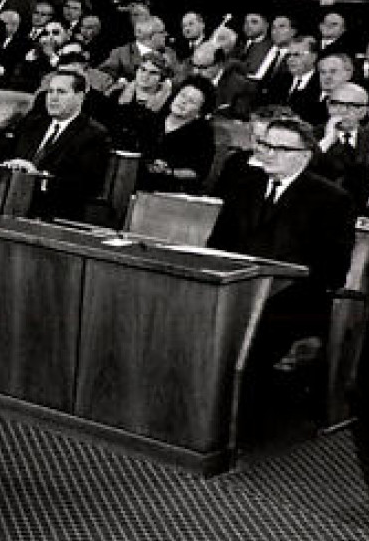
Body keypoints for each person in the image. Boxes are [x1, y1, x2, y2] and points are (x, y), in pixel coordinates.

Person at [207, 116, 356, 435]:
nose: (269, 154)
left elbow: (332, 272)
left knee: (255, 330)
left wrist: (272, 288)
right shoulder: (244, 185)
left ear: (304, 155)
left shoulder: (331, 200)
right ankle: (199, 413)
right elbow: (217, 244)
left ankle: (234, 427)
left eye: (280, 148)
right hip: (238, 288)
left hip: (294, 303)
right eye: (265, 145)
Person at [4, 70, 113, 222]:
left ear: (80, 97)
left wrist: (37, 177)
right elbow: (7, 157)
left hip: (58, 215)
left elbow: (85, 187)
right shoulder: (31, 124)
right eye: (50, 91)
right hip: (12, 206)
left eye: (61, 92)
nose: (53, 98)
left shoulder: (94, 135)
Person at [138, 76, 218, 194]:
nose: (183, 102)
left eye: (191, 101)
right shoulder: (152, 119)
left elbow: (198, 172)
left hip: (173, 190)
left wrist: (168, 172)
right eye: (182, 95)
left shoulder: (203, 134)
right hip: (137, 180)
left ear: (199, 112)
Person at [105, 51, 173, 152]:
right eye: (143, 69)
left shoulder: (168, 103)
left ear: (162, 78)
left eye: (153, 73)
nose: (145, 76)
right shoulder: (117, 94)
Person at [188, 40, 258, 121]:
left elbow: (238, 121)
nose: (196, 72)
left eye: (202, 67)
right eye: (194, 65)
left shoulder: (241, 87)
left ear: (220, 64)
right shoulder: (190, 78)